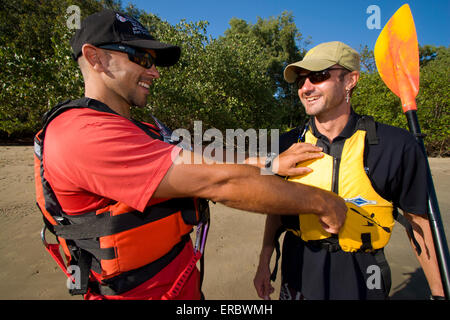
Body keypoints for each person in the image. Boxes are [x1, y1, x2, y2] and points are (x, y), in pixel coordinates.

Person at [34, 10, 347, 300]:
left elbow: (202, 155)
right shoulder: (83, 134)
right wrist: (322, 202)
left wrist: (270, 162)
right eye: (142, 59)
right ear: (96, 58)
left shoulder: (139, 127)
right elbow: (219, 182)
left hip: (181, 284)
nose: (154, 72)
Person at [253, 41, 445, 300]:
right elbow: (276, 210)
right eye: (300, 80)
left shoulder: (395, 146)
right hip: (298, 268)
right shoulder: (286, 144)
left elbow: (419, 223)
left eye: (318, 76)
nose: (305, 88)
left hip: (364, 274)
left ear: (350, 81)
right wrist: (264, 261)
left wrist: (438, 293)